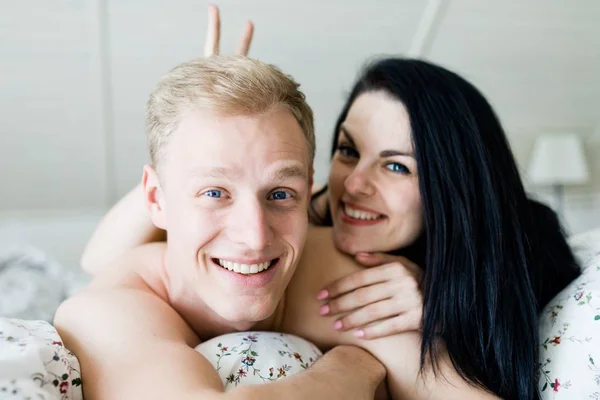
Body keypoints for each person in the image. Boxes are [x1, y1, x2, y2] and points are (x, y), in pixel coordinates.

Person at [74, 7, 581, 399]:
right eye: (347, 151)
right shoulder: (119, 299)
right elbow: (97, 260)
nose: (353, 184)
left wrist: (441, 298)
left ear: (451, 194)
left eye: (397, 165)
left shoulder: (359, 278)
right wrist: (352, 369)